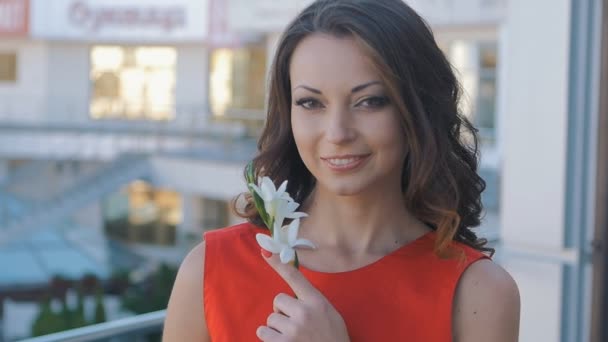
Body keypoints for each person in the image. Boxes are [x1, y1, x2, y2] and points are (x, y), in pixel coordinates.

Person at [163, 0, 520, 341]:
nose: (337, 133)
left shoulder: (479, 294)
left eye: (369, 102)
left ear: (418, 110)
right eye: (311, 103)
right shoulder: (210, 270)